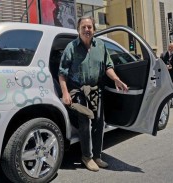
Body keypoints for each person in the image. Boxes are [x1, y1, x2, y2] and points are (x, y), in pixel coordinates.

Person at [58, 15, 128, 172]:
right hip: (79, 91)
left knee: (98, 123)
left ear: (94, 30)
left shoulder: (101, 46)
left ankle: (97, 156)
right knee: (84, 122)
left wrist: (116, 79)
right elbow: (62, 73)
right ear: (78, 30)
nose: (86, 30)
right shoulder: (71, 47)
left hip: (96, 90)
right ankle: (86, 157)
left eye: (89, 27)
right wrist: (65, 93)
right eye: (83, 27)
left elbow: (108, 66)